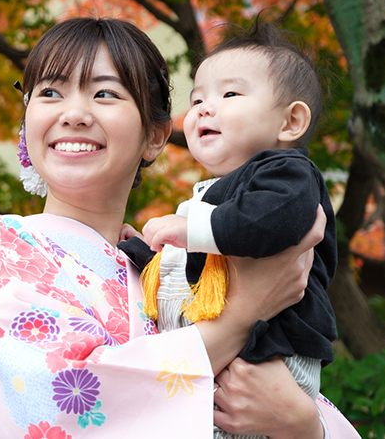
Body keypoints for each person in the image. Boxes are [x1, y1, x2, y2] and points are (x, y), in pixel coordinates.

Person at [0, 17, 358, 438]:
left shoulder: (175, 262)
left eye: (105, 94)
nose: (74, 113)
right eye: (49, 93)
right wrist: (241, 317)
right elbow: (58, 400)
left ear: (156, 135)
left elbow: (285, 385)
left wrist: (305, 427)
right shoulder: (2, 245)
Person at [121, 22, 338, 439]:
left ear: (290, 122)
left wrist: (189, 227)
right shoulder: (220, 194)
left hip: (272, 353)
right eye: (198, 98)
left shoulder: (288, 174)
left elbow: (270, 222)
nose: (203, 107)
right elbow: (199, 268)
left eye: (230, 94)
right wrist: (144, 250)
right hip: (236, 346)